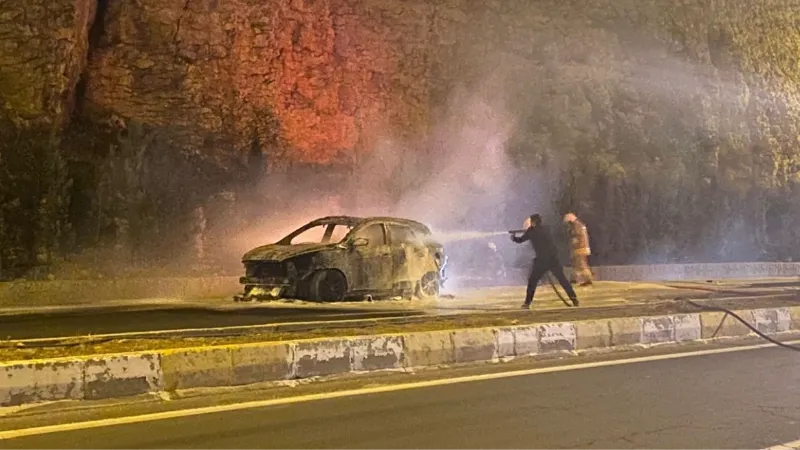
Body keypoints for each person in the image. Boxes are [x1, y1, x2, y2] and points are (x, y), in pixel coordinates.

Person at [510, 214, 579, 309]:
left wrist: (513, 238)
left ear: (533, 222)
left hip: (541, 261)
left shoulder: (531, 231)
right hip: (553, 259)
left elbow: (520, 240)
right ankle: (574, 298)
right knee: (562, 280)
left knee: (532, 281)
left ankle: (527, 303)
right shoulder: (547, 229)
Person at [563, 213, 594, 286]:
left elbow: (577, 236)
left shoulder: (577, 226)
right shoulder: (579, 225)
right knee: (577, 264)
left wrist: (574, 243)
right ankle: (573, 279)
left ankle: (588, 279)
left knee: (581, 264)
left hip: (580, 248)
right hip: (581, 247)